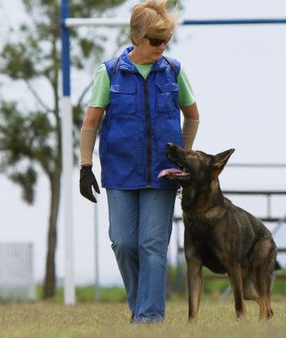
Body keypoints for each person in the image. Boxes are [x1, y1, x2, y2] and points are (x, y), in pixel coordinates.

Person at [78, 0, 200, 324]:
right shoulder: (110, 72)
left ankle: (149, 319)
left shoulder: (174, 71)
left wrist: (184, 159)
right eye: (156, 40)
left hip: (163, 176)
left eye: (166, 40)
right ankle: (140, 308)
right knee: (123, 242)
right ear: (137, 37)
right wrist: (85, 165)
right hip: (120, 173)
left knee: (152, 245)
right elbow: (90, 123)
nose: (162, 47)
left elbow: (192, 117)